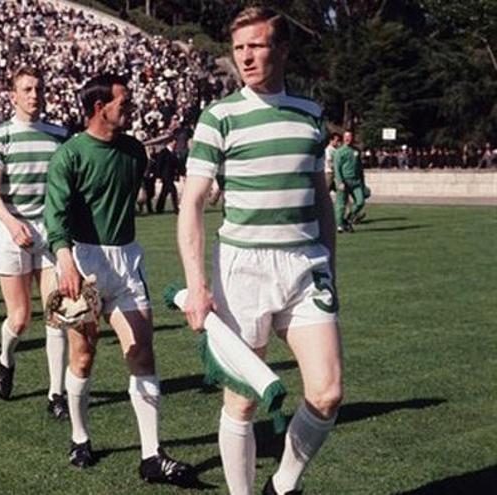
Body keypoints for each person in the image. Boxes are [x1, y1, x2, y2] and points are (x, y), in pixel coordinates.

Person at [178, 8, 342, 495]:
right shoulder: (219, 116)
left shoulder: (311, 114)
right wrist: (195, 284)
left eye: (258, 45)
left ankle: (282, 486)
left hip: (305, 266)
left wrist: (330, 265)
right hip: (242, 268)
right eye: (239, 47)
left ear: (283, 49)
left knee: (328, 393)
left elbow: (321, 199)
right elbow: (191, 204)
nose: (246, 56)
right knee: (243, 402)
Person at [44, 74, 192, 484]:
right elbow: (54, 214)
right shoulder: (69, 155)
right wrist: (65, 258)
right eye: (123, 102)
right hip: (80, 261)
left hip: (127, 260)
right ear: (98, 108)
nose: (131, 107)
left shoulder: (132, 152)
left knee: (142, 351)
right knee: (84, 356)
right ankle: (79, 436)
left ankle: (151, 454)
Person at [0, 66, 70, 418]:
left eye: (39, 89)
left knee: (57, 315)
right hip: (11, 228)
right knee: (19, 319)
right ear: (13, 95)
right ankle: (6, 359)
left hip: (49, 232)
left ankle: (56, 394)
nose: (35, 95)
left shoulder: (59, 134)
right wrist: (11, 222)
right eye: (27, 89)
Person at [333, 130, 366, 232]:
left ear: (353, 138)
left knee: (360, 202)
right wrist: (339, 182)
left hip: (356, 181)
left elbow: (360, 167)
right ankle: (339, 224)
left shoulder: (356, 151)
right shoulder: (339, 152)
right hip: (344, 181)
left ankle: (348, 219)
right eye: (346, 137)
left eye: (349, 136)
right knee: (341, 204)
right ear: (343, 138)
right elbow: (337, 168)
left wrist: (363, 182)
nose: (347, 139)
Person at [154, 138, 180, 213]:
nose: (175, 144)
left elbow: (177, 165)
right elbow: (159, 164)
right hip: (165, 176)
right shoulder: (163, 152)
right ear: (170, 143)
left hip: (170, 176)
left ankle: (159, 208)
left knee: (164, 193)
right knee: (173, 191)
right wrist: (158, 176)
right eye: (174, 142)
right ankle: (176, 208)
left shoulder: (173, 153)